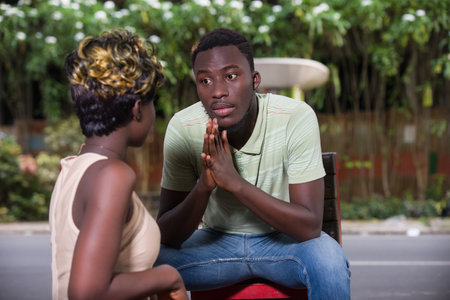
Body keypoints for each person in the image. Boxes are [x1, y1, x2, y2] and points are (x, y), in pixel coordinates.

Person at [155, 28, 350, 299]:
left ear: (255, 80)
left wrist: (235, 183)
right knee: (148, 261)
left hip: (283, 245)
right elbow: (167, 234)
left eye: (231, 76)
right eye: (205, 80)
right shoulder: (183, 126)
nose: (218, 91)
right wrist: (203, 186)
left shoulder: (294, 117)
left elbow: (308, 226)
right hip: (216, 245)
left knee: (329, 261)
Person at [49, 29, 188, 300]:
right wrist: (167, 277)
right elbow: (87, 293)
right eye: (152, 104)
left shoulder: (74, 168)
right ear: (137, 109)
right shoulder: (112, 176)